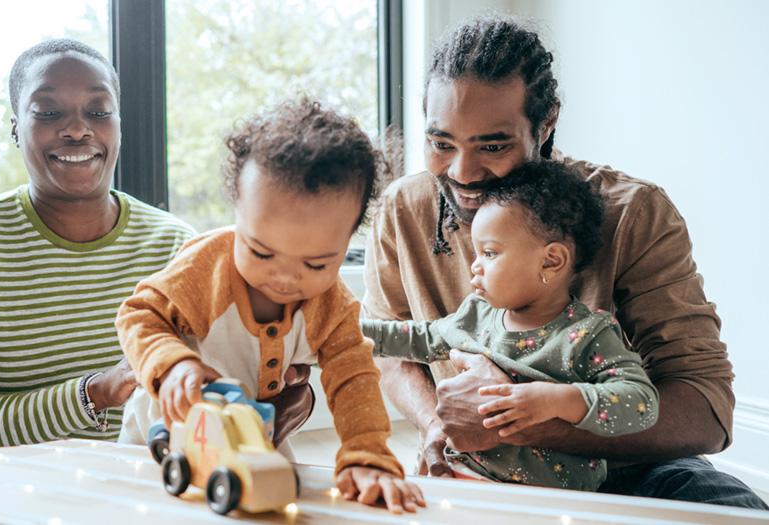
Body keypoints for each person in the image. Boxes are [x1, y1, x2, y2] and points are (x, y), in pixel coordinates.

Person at [362, 14, 769, 509]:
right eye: (440, 143)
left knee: (740, 513)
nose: (463, 173)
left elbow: (708, 410)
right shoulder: (403, 209)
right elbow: (391, 349)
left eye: (493, 145)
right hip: (482, 468)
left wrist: (527, 421)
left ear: (547, 120)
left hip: (627, 465)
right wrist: (437, 427)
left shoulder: (633, 212)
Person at [0, 38, 201, 457]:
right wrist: (95, 393)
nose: (77, 128)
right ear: (16, 127)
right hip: (10, 496)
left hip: (151, 488)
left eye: (98, 112)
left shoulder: (177, 246)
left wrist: (287, 400)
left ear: (119, 125)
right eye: (49, 112)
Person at [116, 98, 426, 514]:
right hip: (165, 441)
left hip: (254, 439)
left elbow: (354, 377)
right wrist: (171, 365)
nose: (284, 278)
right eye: (261, 253)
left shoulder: (333, 304)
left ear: (349, 239)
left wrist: (366, 455)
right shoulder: (209, 264)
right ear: (237, 210)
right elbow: (140, 313)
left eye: (316, 263)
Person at [363, 160, 658, 491]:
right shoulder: (475, 314)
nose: (474, 267)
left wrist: (554, 400)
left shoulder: (588, 335)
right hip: (458, 483)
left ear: (551, 261)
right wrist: (345, 333)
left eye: (488, 253)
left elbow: (641, 403)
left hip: (548, 505)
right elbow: (416, 338)